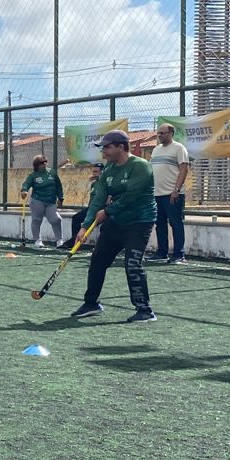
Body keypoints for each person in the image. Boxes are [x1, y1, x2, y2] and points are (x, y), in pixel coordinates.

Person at [73, 130, 157, 323]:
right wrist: (85, 227)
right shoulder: (109, 168)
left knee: (132, 265)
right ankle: (91, 303)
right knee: (97, 261)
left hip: (139, 222)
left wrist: (108, 212)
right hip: (116, 221)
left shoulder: (141, 167)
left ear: (121, 146)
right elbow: (99, 198)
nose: (104, 151)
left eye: (108, 147)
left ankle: (144, 310)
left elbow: (131, 197)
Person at [150, 122, 192, 264]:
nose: (160, 136)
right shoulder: (156, 150)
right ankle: (162, 253)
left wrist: (176, 190)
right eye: (158, 133)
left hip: (173, 194)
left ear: (171, 134)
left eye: (163, 133)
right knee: (160, 224)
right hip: (157, 194)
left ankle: (179, 255)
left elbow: (184, 169)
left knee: (176, 223)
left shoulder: (179, 148)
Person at [19, 155, 65, 249]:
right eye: (41, 163)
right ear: (36, 165)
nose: (44, 164)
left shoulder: (52, 173)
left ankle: (59, 240)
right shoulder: (33, 175)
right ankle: (37, 240)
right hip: (37, 201)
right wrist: (24, 190)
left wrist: (61, 198)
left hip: (51, 202)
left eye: (45, 162)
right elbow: (26, 183)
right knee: (36, 220)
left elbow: (58, 186)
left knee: (56, 219)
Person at [65, 163, 105, 248]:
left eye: (96, 172)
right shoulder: (94, 183)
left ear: (102, 172)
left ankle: (72, 243)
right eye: (93, 171)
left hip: (101, 209)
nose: (94, 173)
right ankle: (74, 241)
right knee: (76, 218)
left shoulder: (105, 183)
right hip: (91, 209)